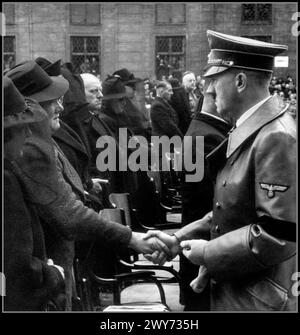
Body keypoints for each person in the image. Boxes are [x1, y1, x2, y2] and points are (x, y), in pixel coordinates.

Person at [145, 30, 296, 311]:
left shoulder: (276, 136)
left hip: (258, 301)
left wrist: (208, 252)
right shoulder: (253, 129)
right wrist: (180, 238)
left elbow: (278, 235)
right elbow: (233, 211)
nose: (209, 91)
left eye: (214, 81)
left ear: (239, 81)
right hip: (242, 293)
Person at [6, 61, 171, 311]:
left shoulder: (42, 139)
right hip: (43, 283)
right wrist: (132, 238)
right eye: (51, 101)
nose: (60, 106)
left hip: (58, 270)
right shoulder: (31, 147)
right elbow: (67, 213)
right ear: (27, 108)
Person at [3, 77, 65, 311]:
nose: (29, 133)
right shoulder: (5, 180)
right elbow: (17, 267)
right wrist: (53, 274)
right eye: (22, 127)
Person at [179, 81, 231, 311]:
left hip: (200, 241)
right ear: (214, 98)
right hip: (204, 243)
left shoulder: (204, 130)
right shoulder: (208, 137)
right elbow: (212, 200)